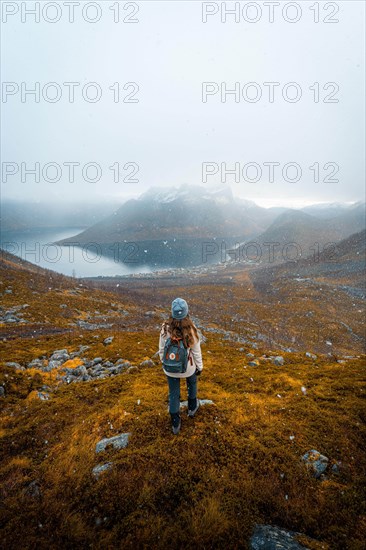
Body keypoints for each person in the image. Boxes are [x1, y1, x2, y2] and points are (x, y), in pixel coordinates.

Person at [159, 297, 203, 435]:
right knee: (192, 382)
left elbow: (161, 350)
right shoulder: (190, 329)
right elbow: (196, 352)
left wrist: (165, 363)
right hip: (187, 368)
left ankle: (175, 423)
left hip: (170, 369)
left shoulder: (165, 328)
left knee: (173, 393)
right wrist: (200, 367)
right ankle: (192, 408)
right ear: (186, 312)